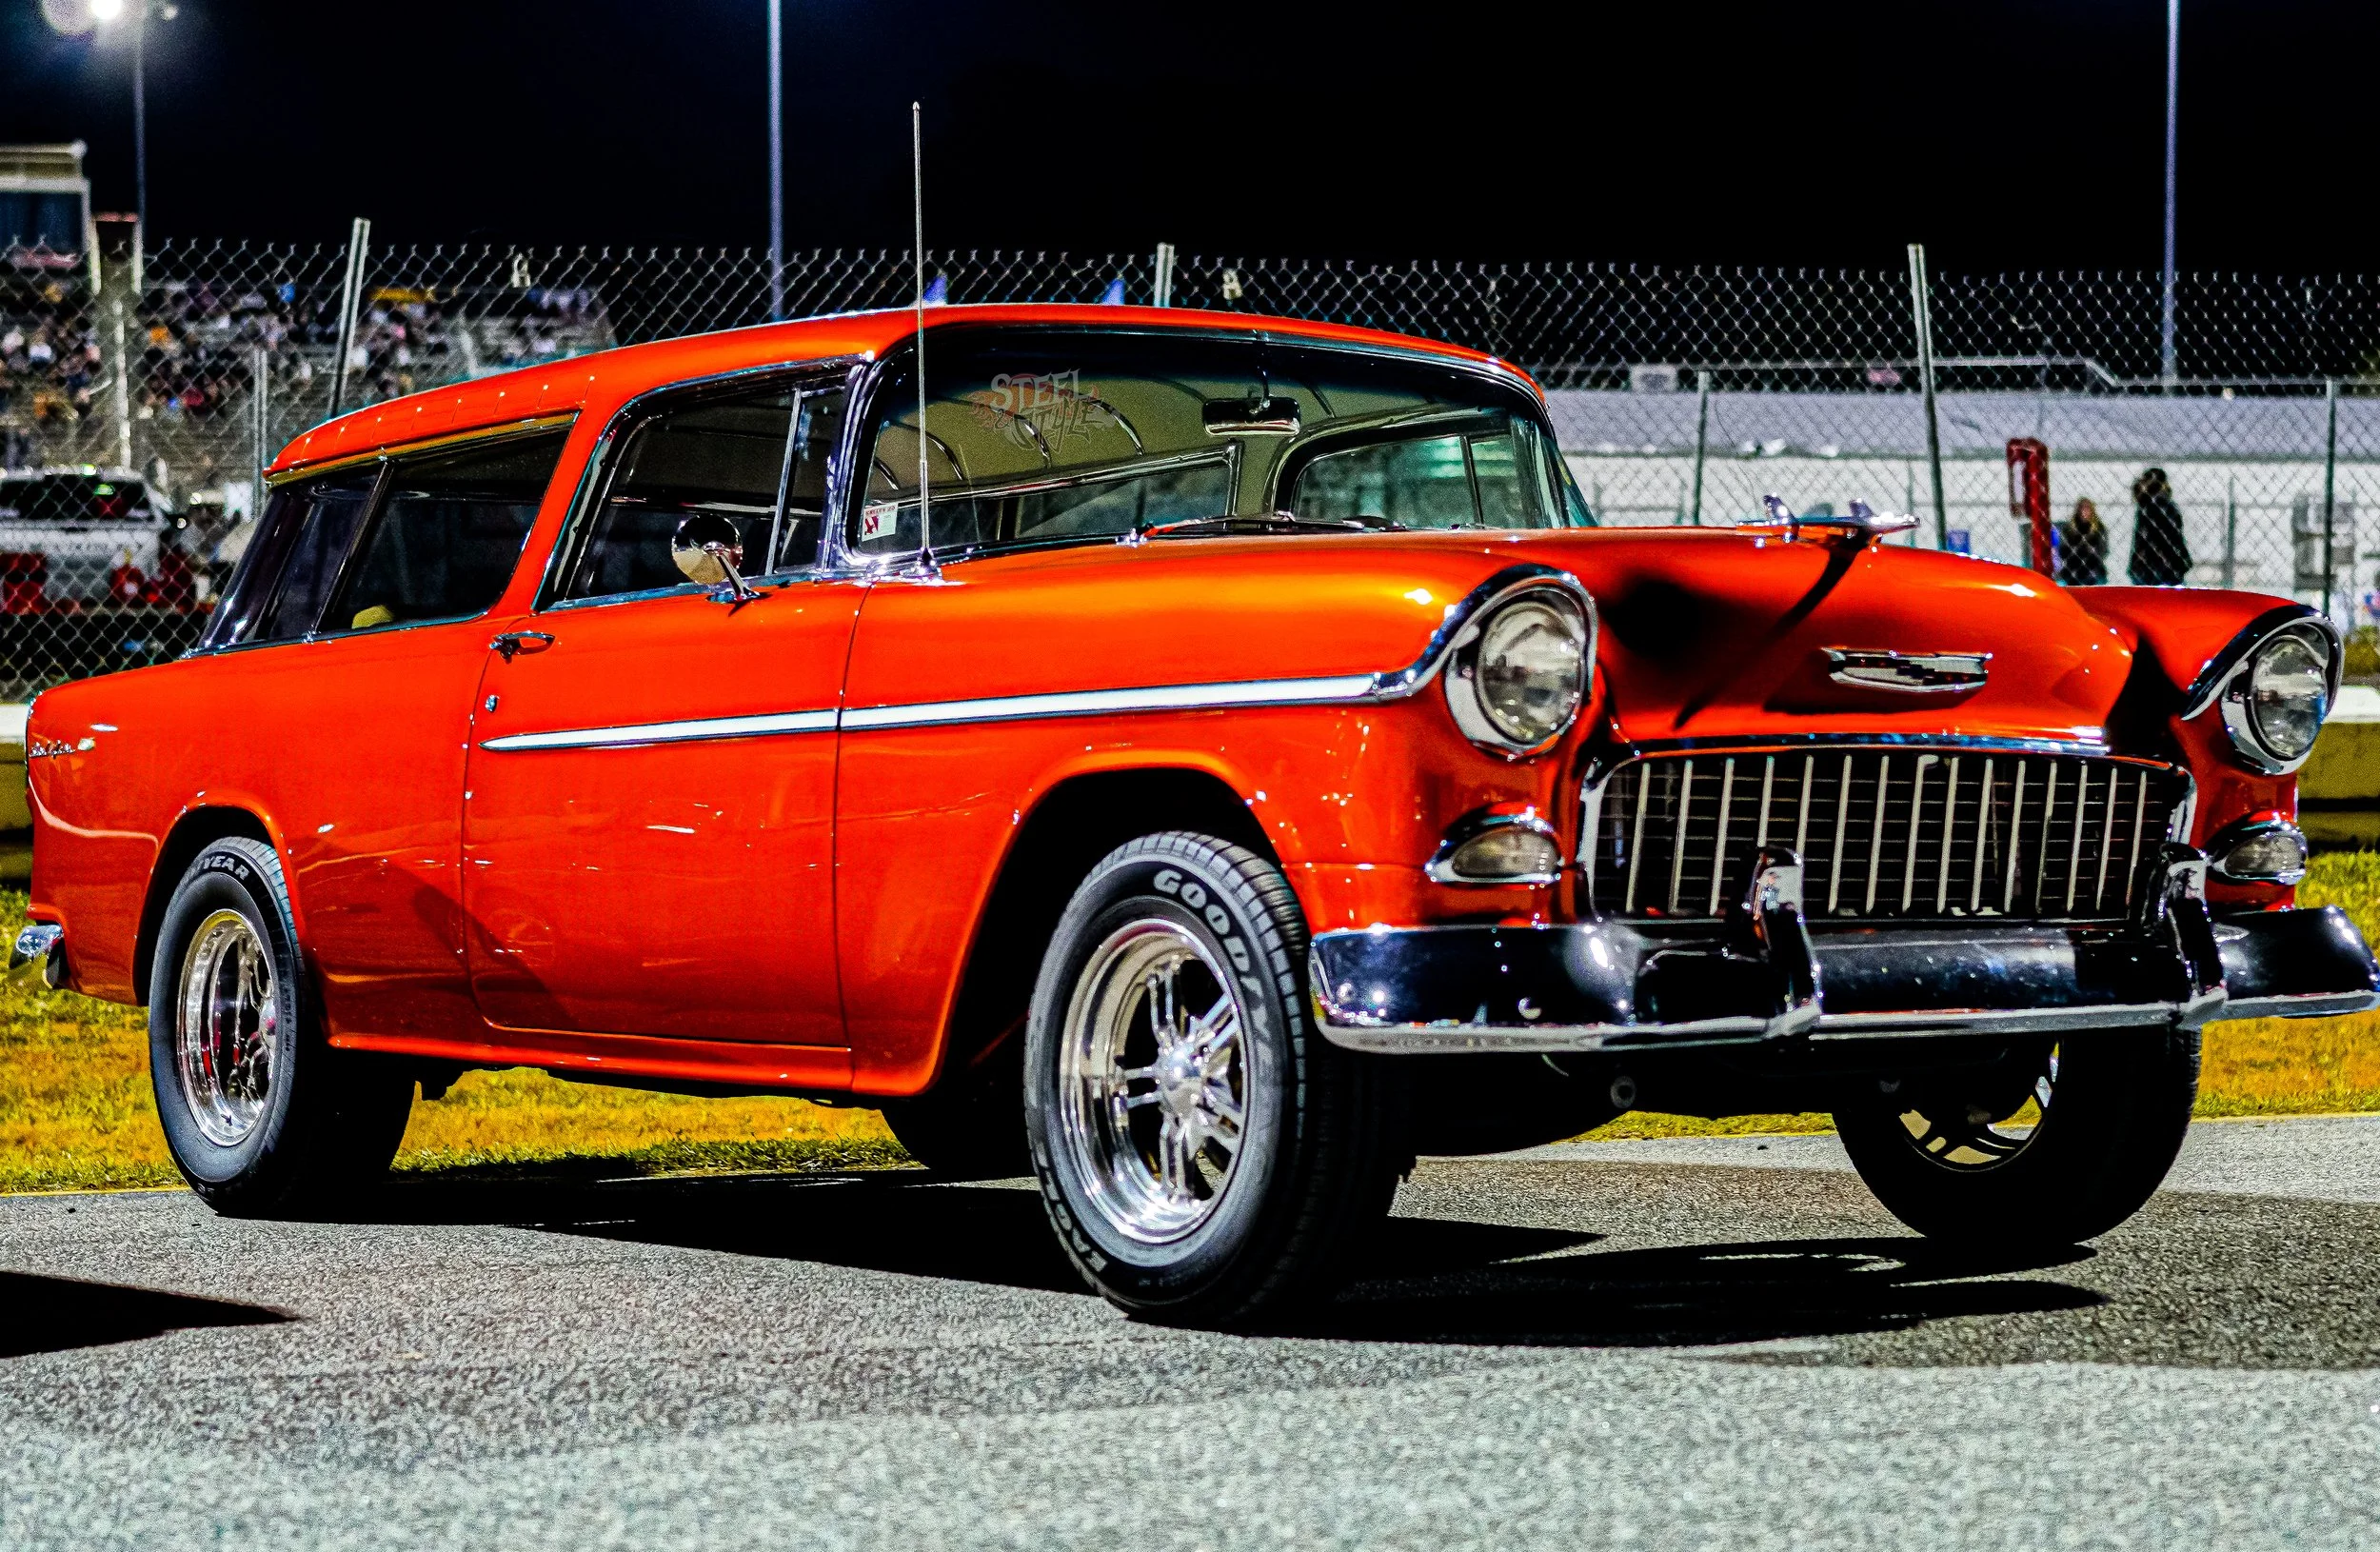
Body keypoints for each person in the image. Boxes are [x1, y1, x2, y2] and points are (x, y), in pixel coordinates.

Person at [2129, 467, 2191, 585]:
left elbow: (2150, 537)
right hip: (2166, 565)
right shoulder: (2163, 506)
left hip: (2156, 566)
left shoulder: (2150, 507)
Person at [2060, 496, 2109, 586]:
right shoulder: (2069, 528)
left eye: (2088, 508)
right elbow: (2063, 550)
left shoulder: (2099, 528)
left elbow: (2103, 550)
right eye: (2082, 507)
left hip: (2092, 567)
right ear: (2078, 510)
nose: (2085, 511)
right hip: (2073, 567)